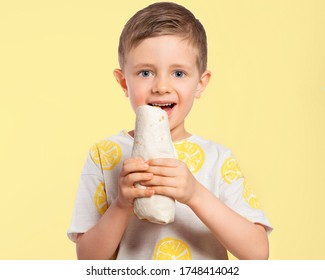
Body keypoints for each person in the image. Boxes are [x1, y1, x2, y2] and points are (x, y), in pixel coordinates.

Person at [67, 2, 272, 260]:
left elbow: (258, 253)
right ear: (123, 83)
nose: (162, 86)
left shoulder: (218, 159)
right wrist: (121, 204)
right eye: (145, 72)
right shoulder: (104, 155)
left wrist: (195, 194)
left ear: (200, 83)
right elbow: (87, 260)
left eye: (178, 73)